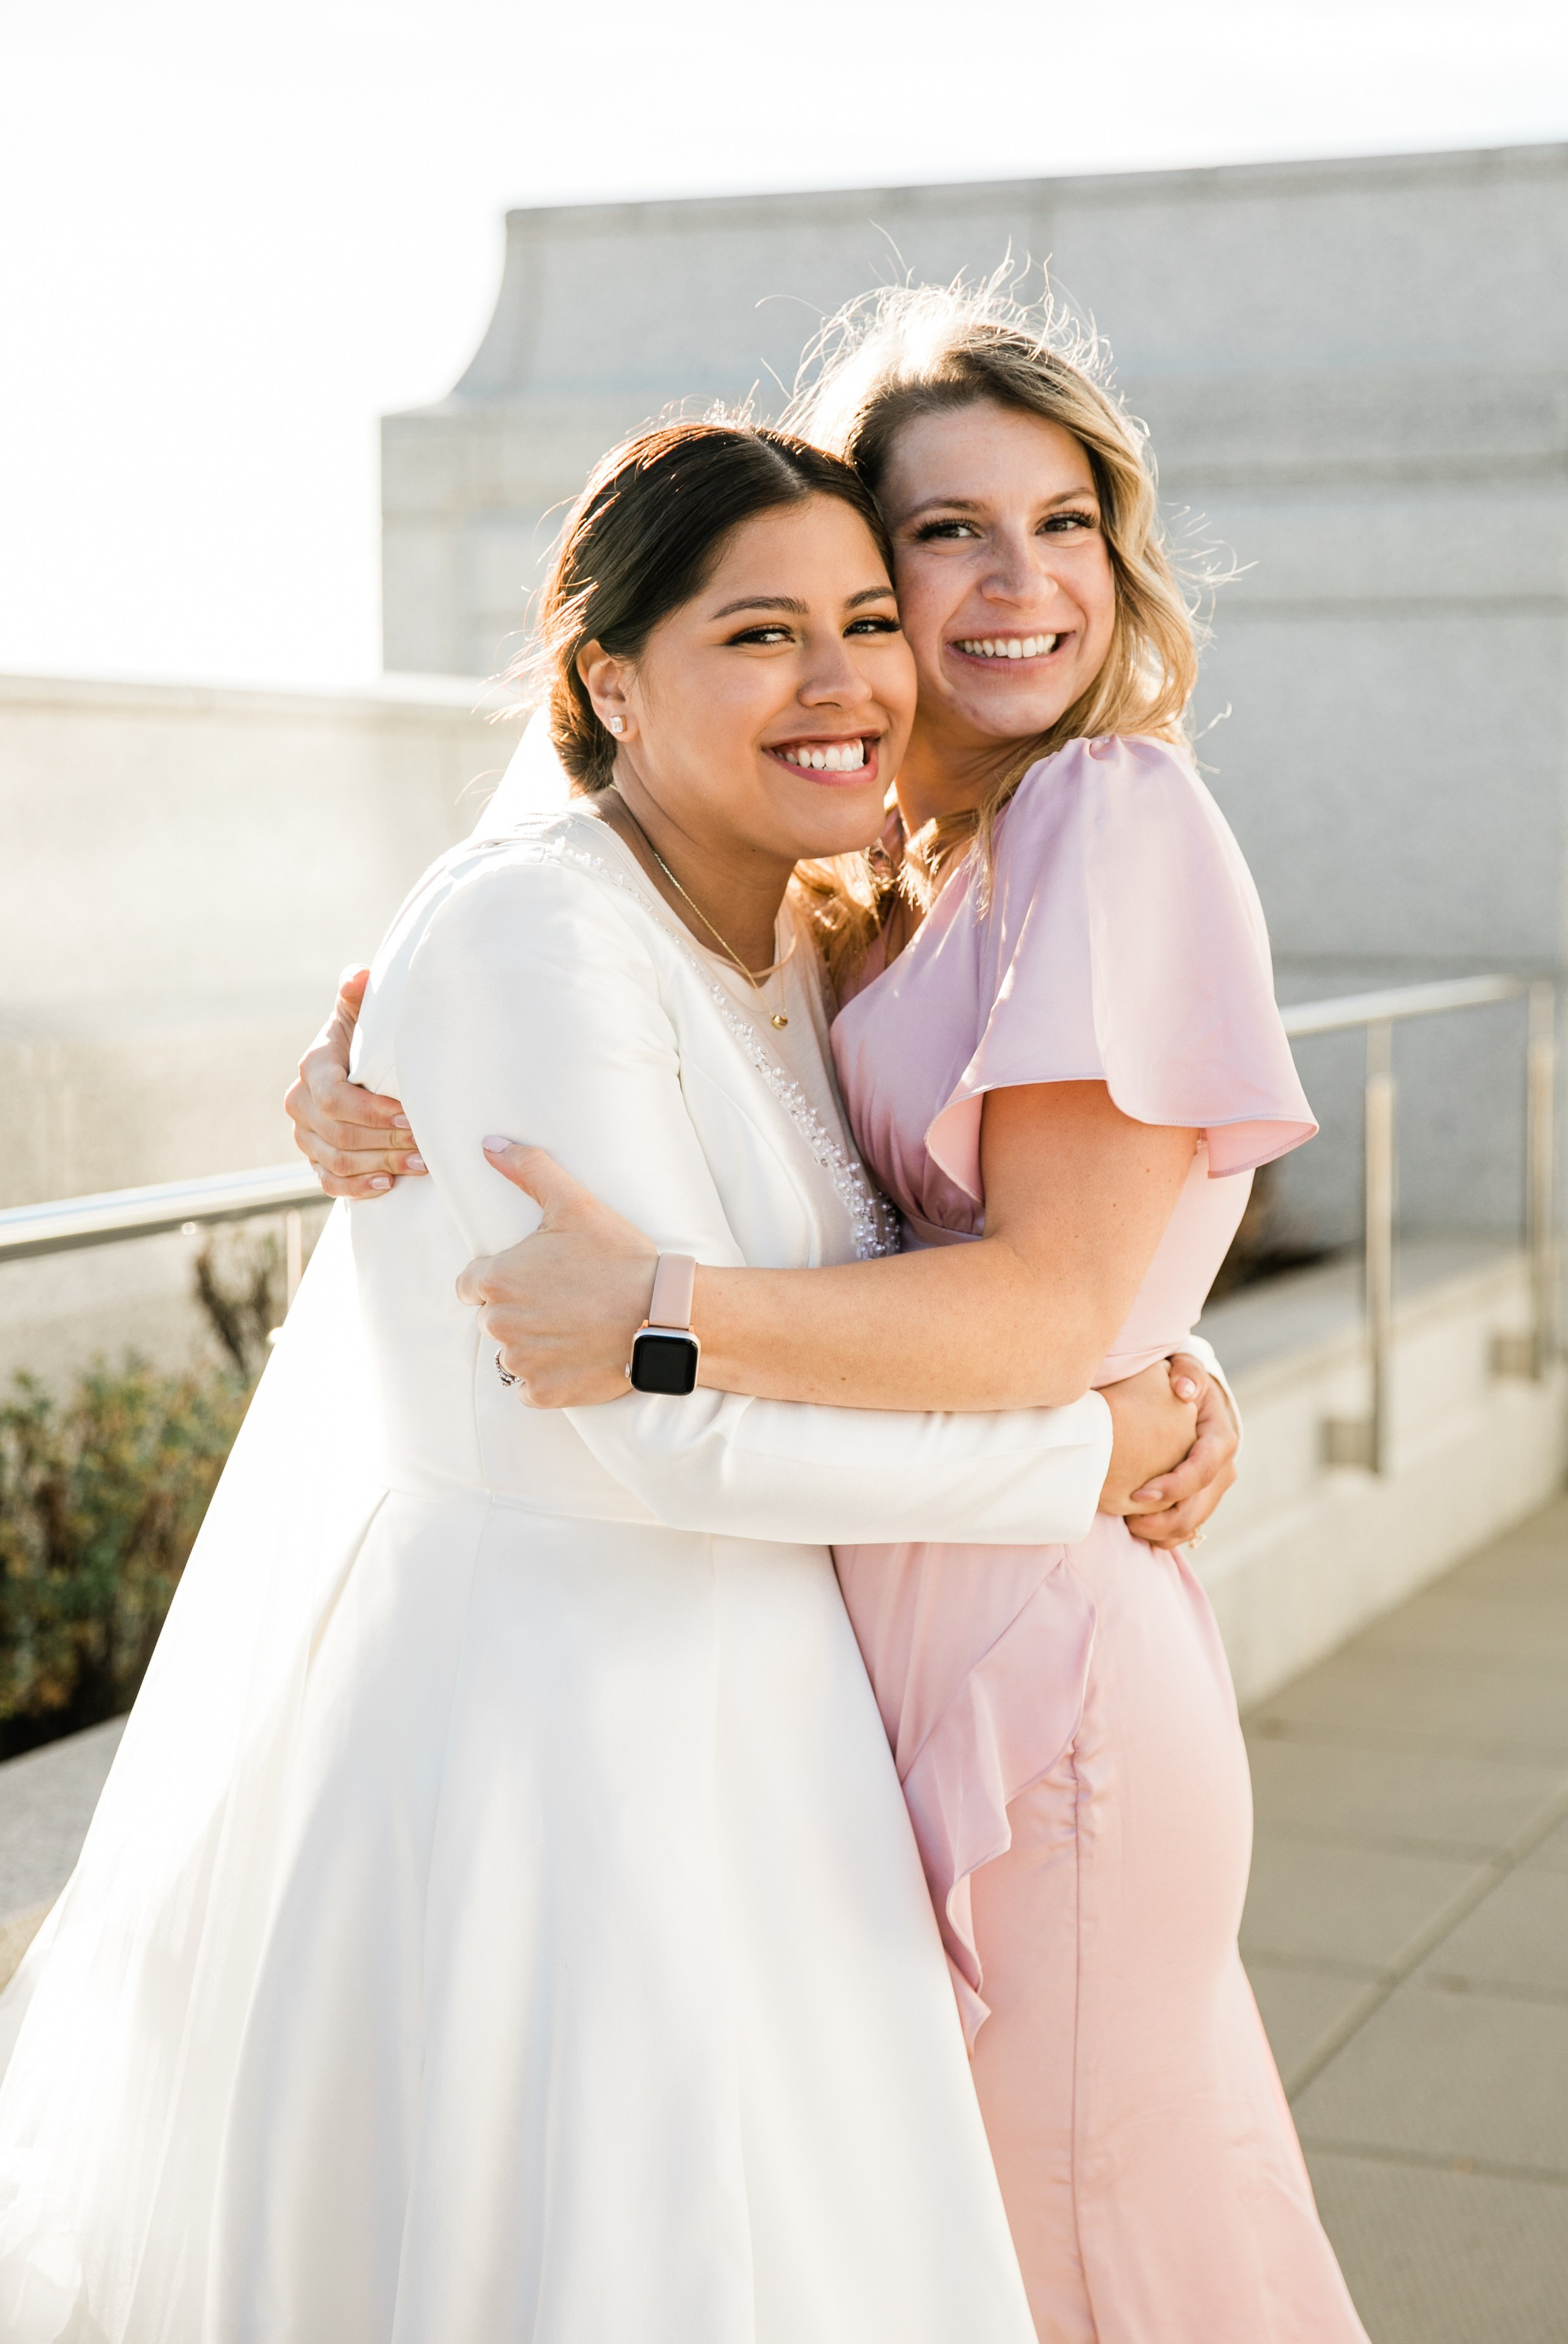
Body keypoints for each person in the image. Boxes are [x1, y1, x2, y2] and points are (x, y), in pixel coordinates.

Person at [0, 423, 1199, 2344]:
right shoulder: (531, 932)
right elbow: (658, 1441)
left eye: (868, 621)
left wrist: (1161, 1351)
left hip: (764, 1726)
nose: (843, 682)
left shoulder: (794, 935)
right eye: (760, 635)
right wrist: (1091, 1450)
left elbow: (930, 1248)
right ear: (605, 682)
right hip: (552, 1748)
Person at [292, 290, 1371, 2341]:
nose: (1015, 584)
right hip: (889, 1632)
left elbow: (1056, 1291)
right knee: (992, 2235)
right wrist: (369, 1081)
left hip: (1033, 1649)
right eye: (944, 537)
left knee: (1093, 2244)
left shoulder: (1103, 816)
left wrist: (670, 1311)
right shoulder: (873, 877)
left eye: (1066, 522)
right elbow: (621, 993)